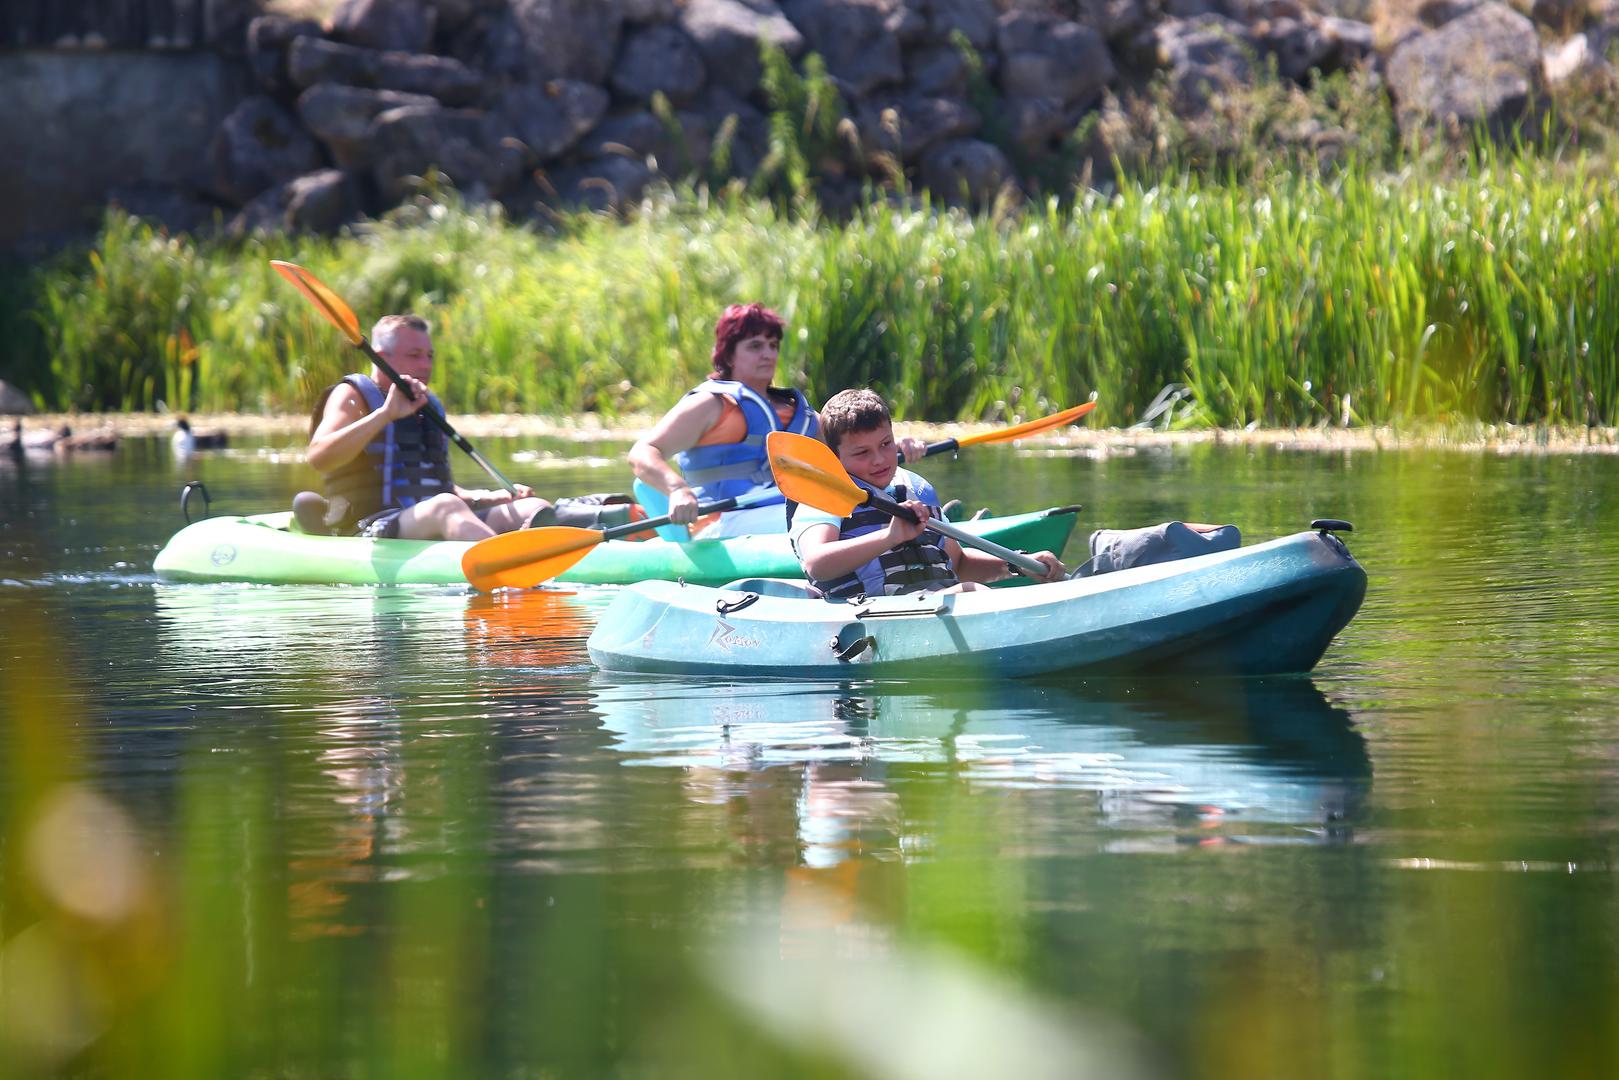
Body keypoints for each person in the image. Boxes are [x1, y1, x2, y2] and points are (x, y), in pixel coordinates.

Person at [628, 303, 925, 539]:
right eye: (755, 346)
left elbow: (850, 451)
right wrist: (678, 490)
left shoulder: (797, 411)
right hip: (720, 523)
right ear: (728, 354)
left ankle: (928, 524)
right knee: (847, 517)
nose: (768, 353)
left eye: (772, 345)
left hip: (785, 513)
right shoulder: (709, 404)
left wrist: (896, 447)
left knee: (870, 504)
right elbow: (643, 452)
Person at [789, 388, 1067, 598]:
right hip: (870, 613)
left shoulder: (917, 489)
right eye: (862, 452)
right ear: (835, 457)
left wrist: (1019, 564)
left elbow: (958, 563)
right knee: (970, 593)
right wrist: (890, 536)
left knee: (969, 590)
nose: (879, 459)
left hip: (934, 600)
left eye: (886, 444)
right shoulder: (825, 496)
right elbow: (817, 564)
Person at [304, 314, 549, 541]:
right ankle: (508, 567)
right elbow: (319, 457)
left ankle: (547, 564)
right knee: (445, 506)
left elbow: (436, 488)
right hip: (371, 528)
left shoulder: (427, 405)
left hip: (432, 518)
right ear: (381, 357)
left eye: (429, 356)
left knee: (531, 508)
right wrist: (385, 415)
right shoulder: (352, 395)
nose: (425, 365)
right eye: (414, 355)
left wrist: (492, 497)